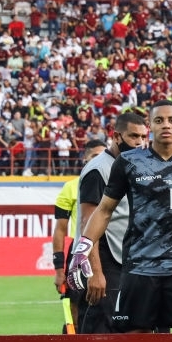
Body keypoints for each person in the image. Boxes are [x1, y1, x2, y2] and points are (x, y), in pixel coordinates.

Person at [74, 100, 172, 334]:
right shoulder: (128, 162)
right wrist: (83, 247)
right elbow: (104, 210)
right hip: (140, 266)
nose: (166, 125)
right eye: (159, 121)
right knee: (136, 336)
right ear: (150, 125)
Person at [73, 112, 149, 334]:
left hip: (127, 260)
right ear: (116, 136)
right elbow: (88, 225)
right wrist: (96, 273)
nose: (139, 142)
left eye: (143, 137)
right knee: (101, 330)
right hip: (106, 262)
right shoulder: (99, 170)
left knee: (131, 329)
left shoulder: (133, 166)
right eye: (133, 136)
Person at [52, 139, 107, 324]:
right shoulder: (70, 187)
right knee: (76, 305)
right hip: (80, 252)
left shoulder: (115, 182)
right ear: (85, 158)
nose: (99, 160)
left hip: (110, 251)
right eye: (94, 156)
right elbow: (60, 230)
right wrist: (59, 269)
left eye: (103, 155)